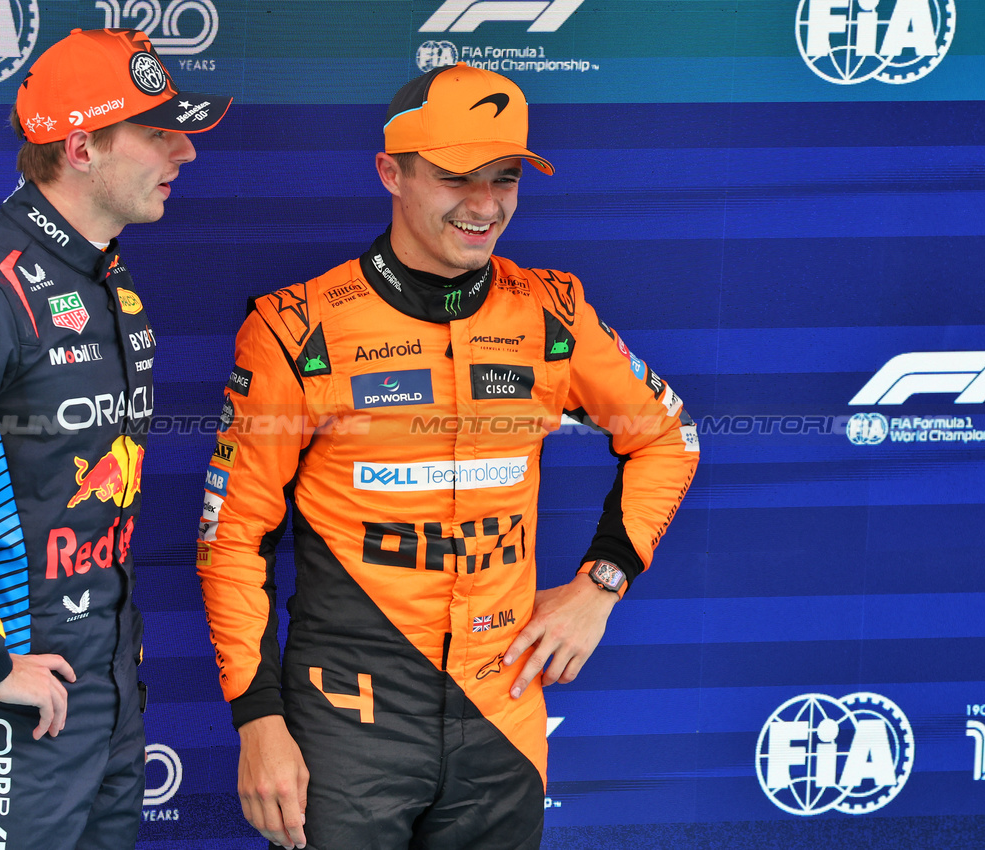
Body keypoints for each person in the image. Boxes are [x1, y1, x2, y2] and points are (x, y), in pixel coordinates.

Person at [197, 62, 699, 849]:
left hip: (502, 715)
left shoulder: (552, 312)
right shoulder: (295, 329)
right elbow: (232, 537)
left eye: (503, 178)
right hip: (347, 724)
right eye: (456, 177)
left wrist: (600, 584)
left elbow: (667, 436)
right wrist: (257, 720)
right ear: (389, 172)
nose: (484, 205)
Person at [0, 28, 229, 849]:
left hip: (104, 685)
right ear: (81, 145)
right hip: (12, 692)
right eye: (159, 132)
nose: (186, 152)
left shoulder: (102, 275)